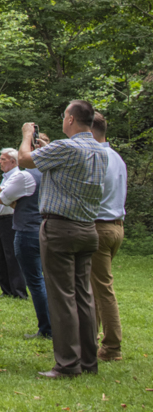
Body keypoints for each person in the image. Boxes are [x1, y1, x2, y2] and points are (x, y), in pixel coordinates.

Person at [18, 100, 107, 379]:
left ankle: (67, 364)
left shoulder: (66, 146)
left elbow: (23, 159)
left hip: (60, 229)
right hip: (88, 228)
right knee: (84, 295)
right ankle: (88, 361)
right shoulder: (100, 150)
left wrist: (25, 137)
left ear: (70, 119)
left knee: (62, 296)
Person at [0, 145, 52, 341]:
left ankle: (47, 328)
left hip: (27, 229)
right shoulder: (49, 173)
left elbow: (3, 197)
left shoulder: (25, 177)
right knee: (48, 280)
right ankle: (55, 325)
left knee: (35, 282)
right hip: (47, 228)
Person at [90, 112, 127, 362]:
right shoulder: (116, 157)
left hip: (100, 227)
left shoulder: (97, 157)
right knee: (94, 287)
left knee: (102, 289)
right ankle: (89, 339)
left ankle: (112, 347)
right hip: (116, 226)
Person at [0, 150, 28, 300]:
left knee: (12, 254)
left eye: (3, 159)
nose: (0, 162)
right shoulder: (6, 177)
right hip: (2, 219)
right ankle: (6, 289)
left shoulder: (17, 176)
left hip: (11, 219)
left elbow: (4, 195)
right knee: (2, 254)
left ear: (13, 161)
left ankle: (18, 290)